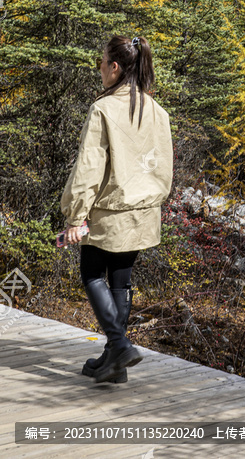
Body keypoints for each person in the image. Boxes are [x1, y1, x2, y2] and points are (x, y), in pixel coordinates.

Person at [60, 35, 173, 384]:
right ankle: (115, 362)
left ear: (115, 67)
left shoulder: (104, 108)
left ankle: (120, 345)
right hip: (143, 211)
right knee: (120, 280)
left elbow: (90, 166)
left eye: (101, 63)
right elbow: (164, 167)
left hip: (107, 211)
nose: (99, 70)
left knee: (92, 274)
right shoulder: (157, 111)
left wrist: (77, 215)